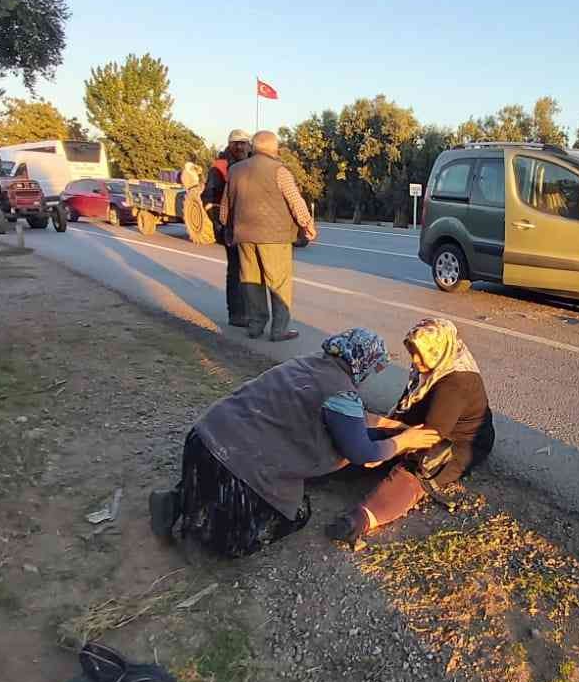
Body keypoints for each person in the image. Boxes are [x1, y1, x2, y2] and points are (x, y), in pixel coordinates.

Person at [148, 328, 441, 558]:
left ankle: (176, 501)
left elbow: (353, 416)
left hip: (202, 441)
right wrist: (405, 440)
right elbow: (362, 451)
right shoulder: (340, 392)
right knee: (288, 516)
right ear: (363, 362)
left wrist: (392, 425)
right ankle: (205, 528)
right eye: (374, 367)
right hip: (236, 467)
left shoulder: (308, 365)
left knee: (210, 484)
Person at [326, 318, 495, 549]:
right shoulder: (433, 365)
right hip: (421, 425)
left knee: (418, 467)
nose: (414, 361)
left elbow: (431, 435)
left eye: (420, 354)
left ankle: (362, 518)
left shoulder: (456, 383)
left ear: (438, 350)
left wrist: (389, 450)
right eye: (412, 352)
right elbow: (406, 411)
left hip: (457, 442)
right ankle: (320, 470)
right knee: (367, 439)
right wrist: (384, 439)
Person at [220, 130, 317, 342]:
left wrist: (228, 227)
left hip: (244, 235)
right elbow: (295, 201)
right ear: (274, 148)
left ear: (253, 147)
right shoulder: (279, 170)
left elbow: (225, 207)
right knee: (279, 282)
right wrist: (308, 225)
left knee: (251, 280)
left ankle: (255, 326)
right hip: (275, 237)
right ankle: (279, 329)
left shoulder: (235, 170)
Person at [204, 130, 253, 327]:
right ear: (229, 144)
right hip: (230, 226)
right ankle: (236, 314)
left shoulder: (250, 163)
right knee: (236, 270)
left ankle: (250, 312)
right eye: (236, 143)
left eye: (244, 143)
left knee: (250, 270)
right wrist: (219, 222)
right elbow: (208, 198)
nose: (240, 147)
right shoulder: (220, 166)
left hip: (249, 225)